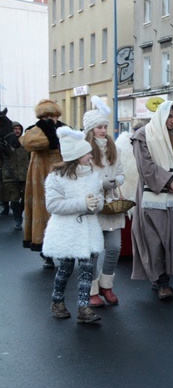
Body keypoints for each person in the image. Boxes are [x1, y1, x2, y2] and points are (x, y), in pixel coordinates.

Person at [130, 101, 173, 300]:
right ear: (161, 116)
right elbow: (145, 166)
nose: (172, 121)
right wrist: (168, 181)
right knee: (154, 239)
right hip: (153, 195)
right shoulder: (143, 135)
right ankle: (161, 281)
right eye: (169, 117)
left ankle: (163, 278)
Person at [44, 127, 104, 324]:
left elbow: (100, 198)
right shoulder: (56, 177)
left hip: (88, 230)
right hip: (67, 231)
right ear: (76, 155)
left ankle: (83, 307)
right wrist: (82, 204)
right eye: (87, 152)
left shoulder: (93, 174)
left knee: (87, 269)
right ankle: (57, 301)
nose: (90, 156)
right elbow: (53, 205)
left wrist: (97, 204)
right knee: (65, 269)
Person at [83, 97, 126, 307]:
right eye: (99, 127)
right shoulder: (84, 151)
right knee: (93, 252)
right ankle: (91, 290)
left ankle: (106, 285)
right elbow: (81, 179)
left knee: (115, 247)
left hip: (112, 207)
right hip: (93, 207)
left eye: (105, 126)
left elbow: (121, 173)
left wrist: (115, 181)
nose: (103, 130)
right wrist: (102, 184)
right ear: (90, 130)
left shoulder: (113, 148)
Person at [19, 99, 66, 267]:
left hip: (60, 174)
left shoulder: (63, 128)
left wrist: (54, 131)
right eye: (47, 115)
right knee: (42, 212)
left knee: (61, 213)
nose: (51, 118)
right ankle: (46, 252)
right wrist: (45, 128)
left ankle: (63, 249)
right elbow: (28, 143)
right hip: (39, 178)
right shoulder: (34, 130)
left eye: (53, 115)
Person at [1, 121, 30, 230]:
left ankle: (19, 213)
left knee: (25, 198)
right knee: (14, 197)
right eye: (15, 129)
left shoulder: (26, 142)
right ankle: (18, 219)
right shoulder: (5, 143)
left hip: (24, 174)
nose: (17, 131)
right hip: (10, 175)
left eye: (19, 128)